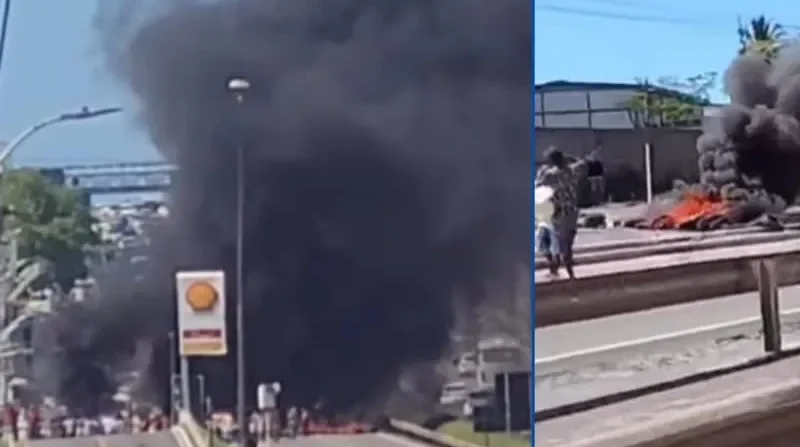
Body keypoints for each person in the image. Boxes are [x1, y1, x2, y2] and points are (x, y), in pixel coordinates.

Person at [535, 146, 597, 279]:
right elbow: (584, 162)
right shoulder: (573, 171)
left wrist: (541, 172)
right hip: (572, 212)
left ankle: (555, 269)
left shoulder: (550, 175)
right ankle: (570, 273)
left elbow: (537, 185)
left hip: (558, 213)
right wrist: (570, 157)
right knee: (567, 245)